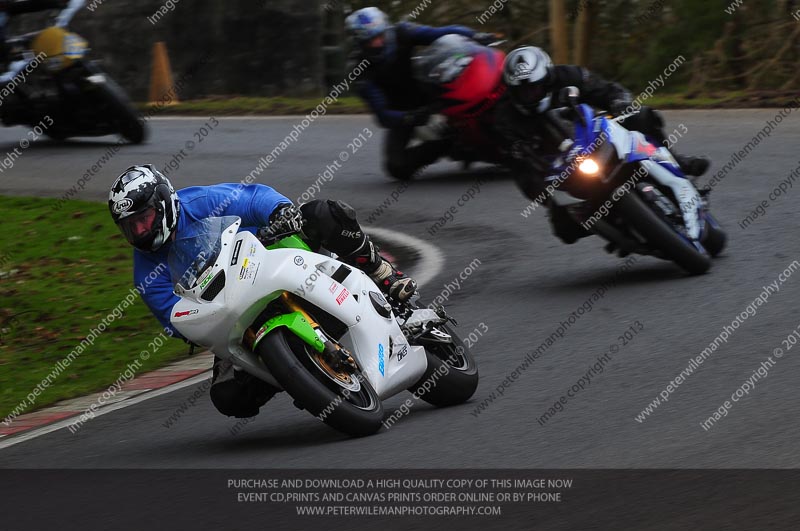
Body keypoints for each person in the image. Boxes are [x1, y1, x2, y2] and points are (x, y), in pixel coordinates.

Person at [108, 165, 417, 419]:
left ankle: (383, 275)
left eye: (143, 220)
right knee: (229, 397)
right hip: (231, 315)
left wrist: (279, 212)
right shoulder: (146, 273)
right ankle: (297, 374)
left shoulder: (199, 202)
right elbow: (174, 318)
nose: (139, 232)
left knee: (323, 213)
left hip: (270, 257)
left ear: (162, 203)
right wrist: (196, 326)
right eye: (129, 228)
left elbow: (252, 197)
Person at [494, 46, 710, 243]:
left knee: (641, 116)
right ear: (511, 91)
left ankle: (676, 161)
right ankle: (614, 228)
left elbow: (606, 89)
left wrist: (619, 102)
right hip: (557, 164)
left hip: (593, 135)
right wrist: (520, 157)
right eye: (523, 92)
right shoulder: (504, 115)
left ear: (547, 79)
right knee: (565, 231)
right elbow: (517, 166)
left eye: (534, 88)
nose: (529, 95)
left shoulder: (568, 75)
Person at [345, 6, 498, 180]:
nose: (379, 43)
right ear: (359, 43)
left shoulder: (403, 31)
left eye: (380, 36)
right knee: (396, 166)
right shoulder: (359, 71)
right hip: (402, 111)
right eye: (371, 41)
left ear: (386, 29)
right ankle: (446, 144)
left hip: (429, 89)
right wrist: (413, 117)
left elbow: (442, 33)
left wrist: (474, 36)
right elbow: (382, 115)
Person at [0, 0, 67, 72]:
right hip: (5, 54)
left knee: (26, 50)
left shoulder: (5, 8)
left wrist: (55, 3)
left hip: (8, 51)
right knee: (16, 52)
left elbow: (29, 5)